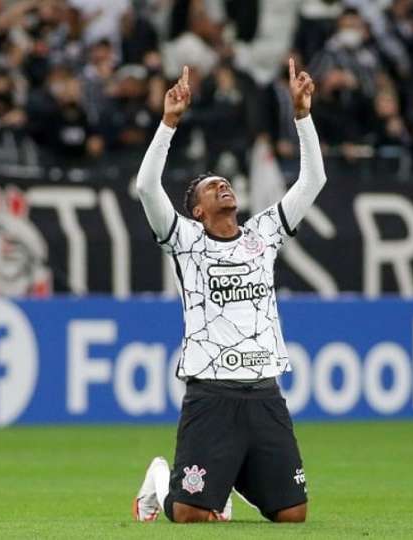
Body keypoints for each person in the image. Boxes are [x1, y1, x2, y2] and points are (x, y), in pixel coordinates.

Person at [132, 58, 324, 523]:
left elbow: (313, 180)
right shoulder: (185, 240)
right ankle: (161, 479)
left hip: (265, 393)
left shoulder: (264, 234)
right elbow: (145, 185)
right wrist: (168, 123)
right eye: (210, 187)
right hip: (211, 394)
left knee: (293, 515)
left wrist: (302, 117)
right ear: (195, 210)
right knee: (191, 516)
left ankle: (225, 480)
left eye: (225, 183)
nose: (223, 187)